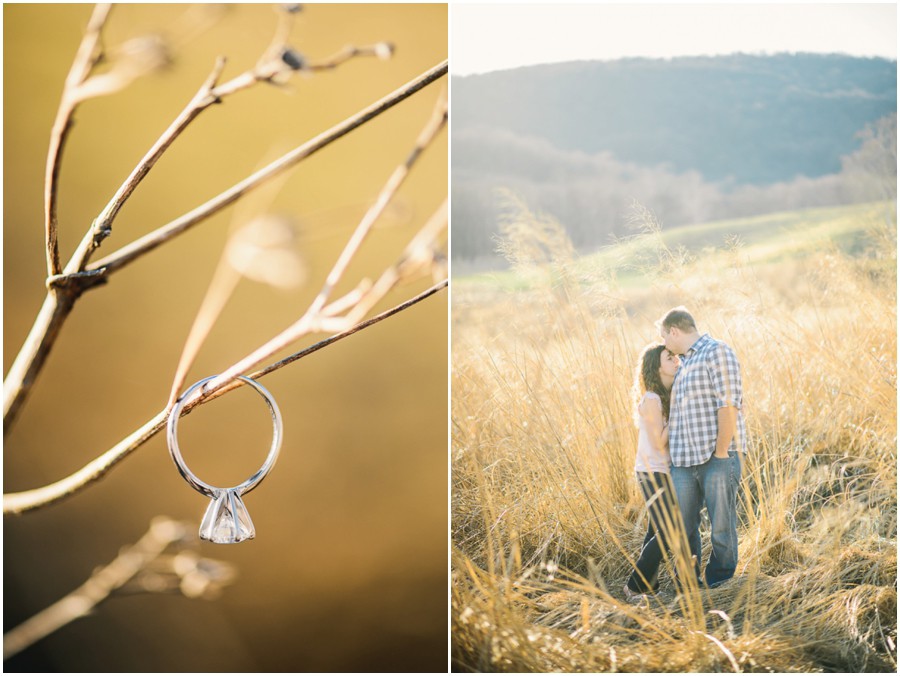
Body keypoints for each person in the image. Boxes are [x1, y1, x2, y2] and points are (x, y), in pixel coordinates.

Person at [659, 306, 746, 588]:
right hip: (683, 463)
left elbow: (728, 403)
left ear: (674, 330)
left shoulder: (716, 351)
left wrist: (721, 452)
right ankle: (688, 583)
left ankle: (720, 583)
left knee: (721, 524)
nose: (664, 344)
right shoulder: (682, 366)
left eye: (664, 337)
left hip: (715, 457)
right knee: (683, 526)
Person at [623, 343, 681, 601]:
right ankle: (634, 586)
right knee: (669, 528)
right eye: (669, 358)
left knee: (656, 528)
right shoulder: (652, 399)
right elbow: (658, 442)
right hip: (651, 472)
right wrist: (679, 414)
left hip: (663, 471)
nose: (675, 360)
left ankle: (650, 586)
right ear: (655, 368)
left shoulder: (664, 397)